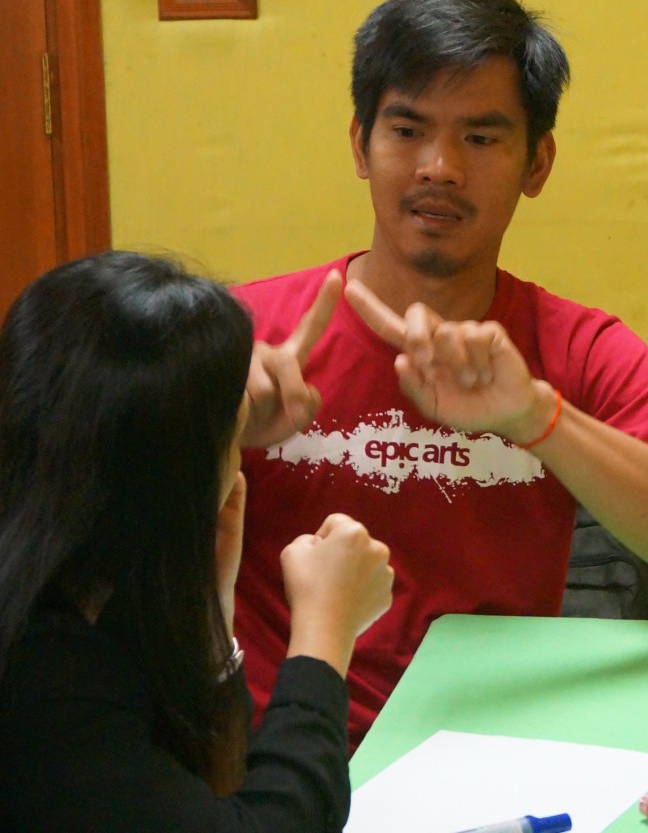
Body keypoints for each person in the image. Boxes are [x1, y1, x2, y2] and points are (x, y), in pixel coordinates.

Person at [232, 0, 648, 753]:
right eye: (407, 130)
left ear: (537, 163)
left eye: (480, 137)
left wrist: (538, 418)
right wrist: (215, 430)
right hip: (271, 762)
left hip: (493, 758)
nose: (438, 167)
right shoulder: (244, 334)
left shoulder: (581, 348)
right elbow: (84, 542)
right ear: (359, 144)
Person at [0, 250, 394, 833]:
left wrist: (209, 622)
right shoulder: (42, 672)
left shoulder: (76, 567)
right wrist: (322, 638)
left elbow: (195, 790)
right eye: (234, 434)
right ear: (169, 486)